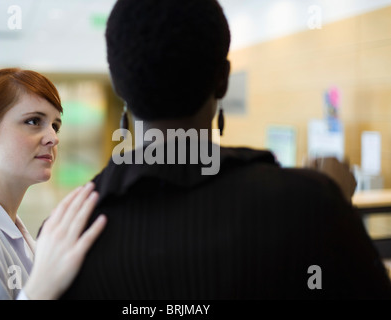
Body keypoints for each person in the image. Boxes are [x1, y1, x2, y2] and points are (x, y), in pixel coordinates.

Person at [60, 0, 391, 299]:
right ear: (223, 79)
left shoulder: (65, 235)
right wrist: (332, 207)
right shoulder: (309, 204)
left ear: (119, 86)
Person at [0, 68, 107, 300]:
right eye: (33, 121)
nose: (53, 137)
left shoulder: (14, 234)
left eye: (55, 125)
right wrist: (41, 290)